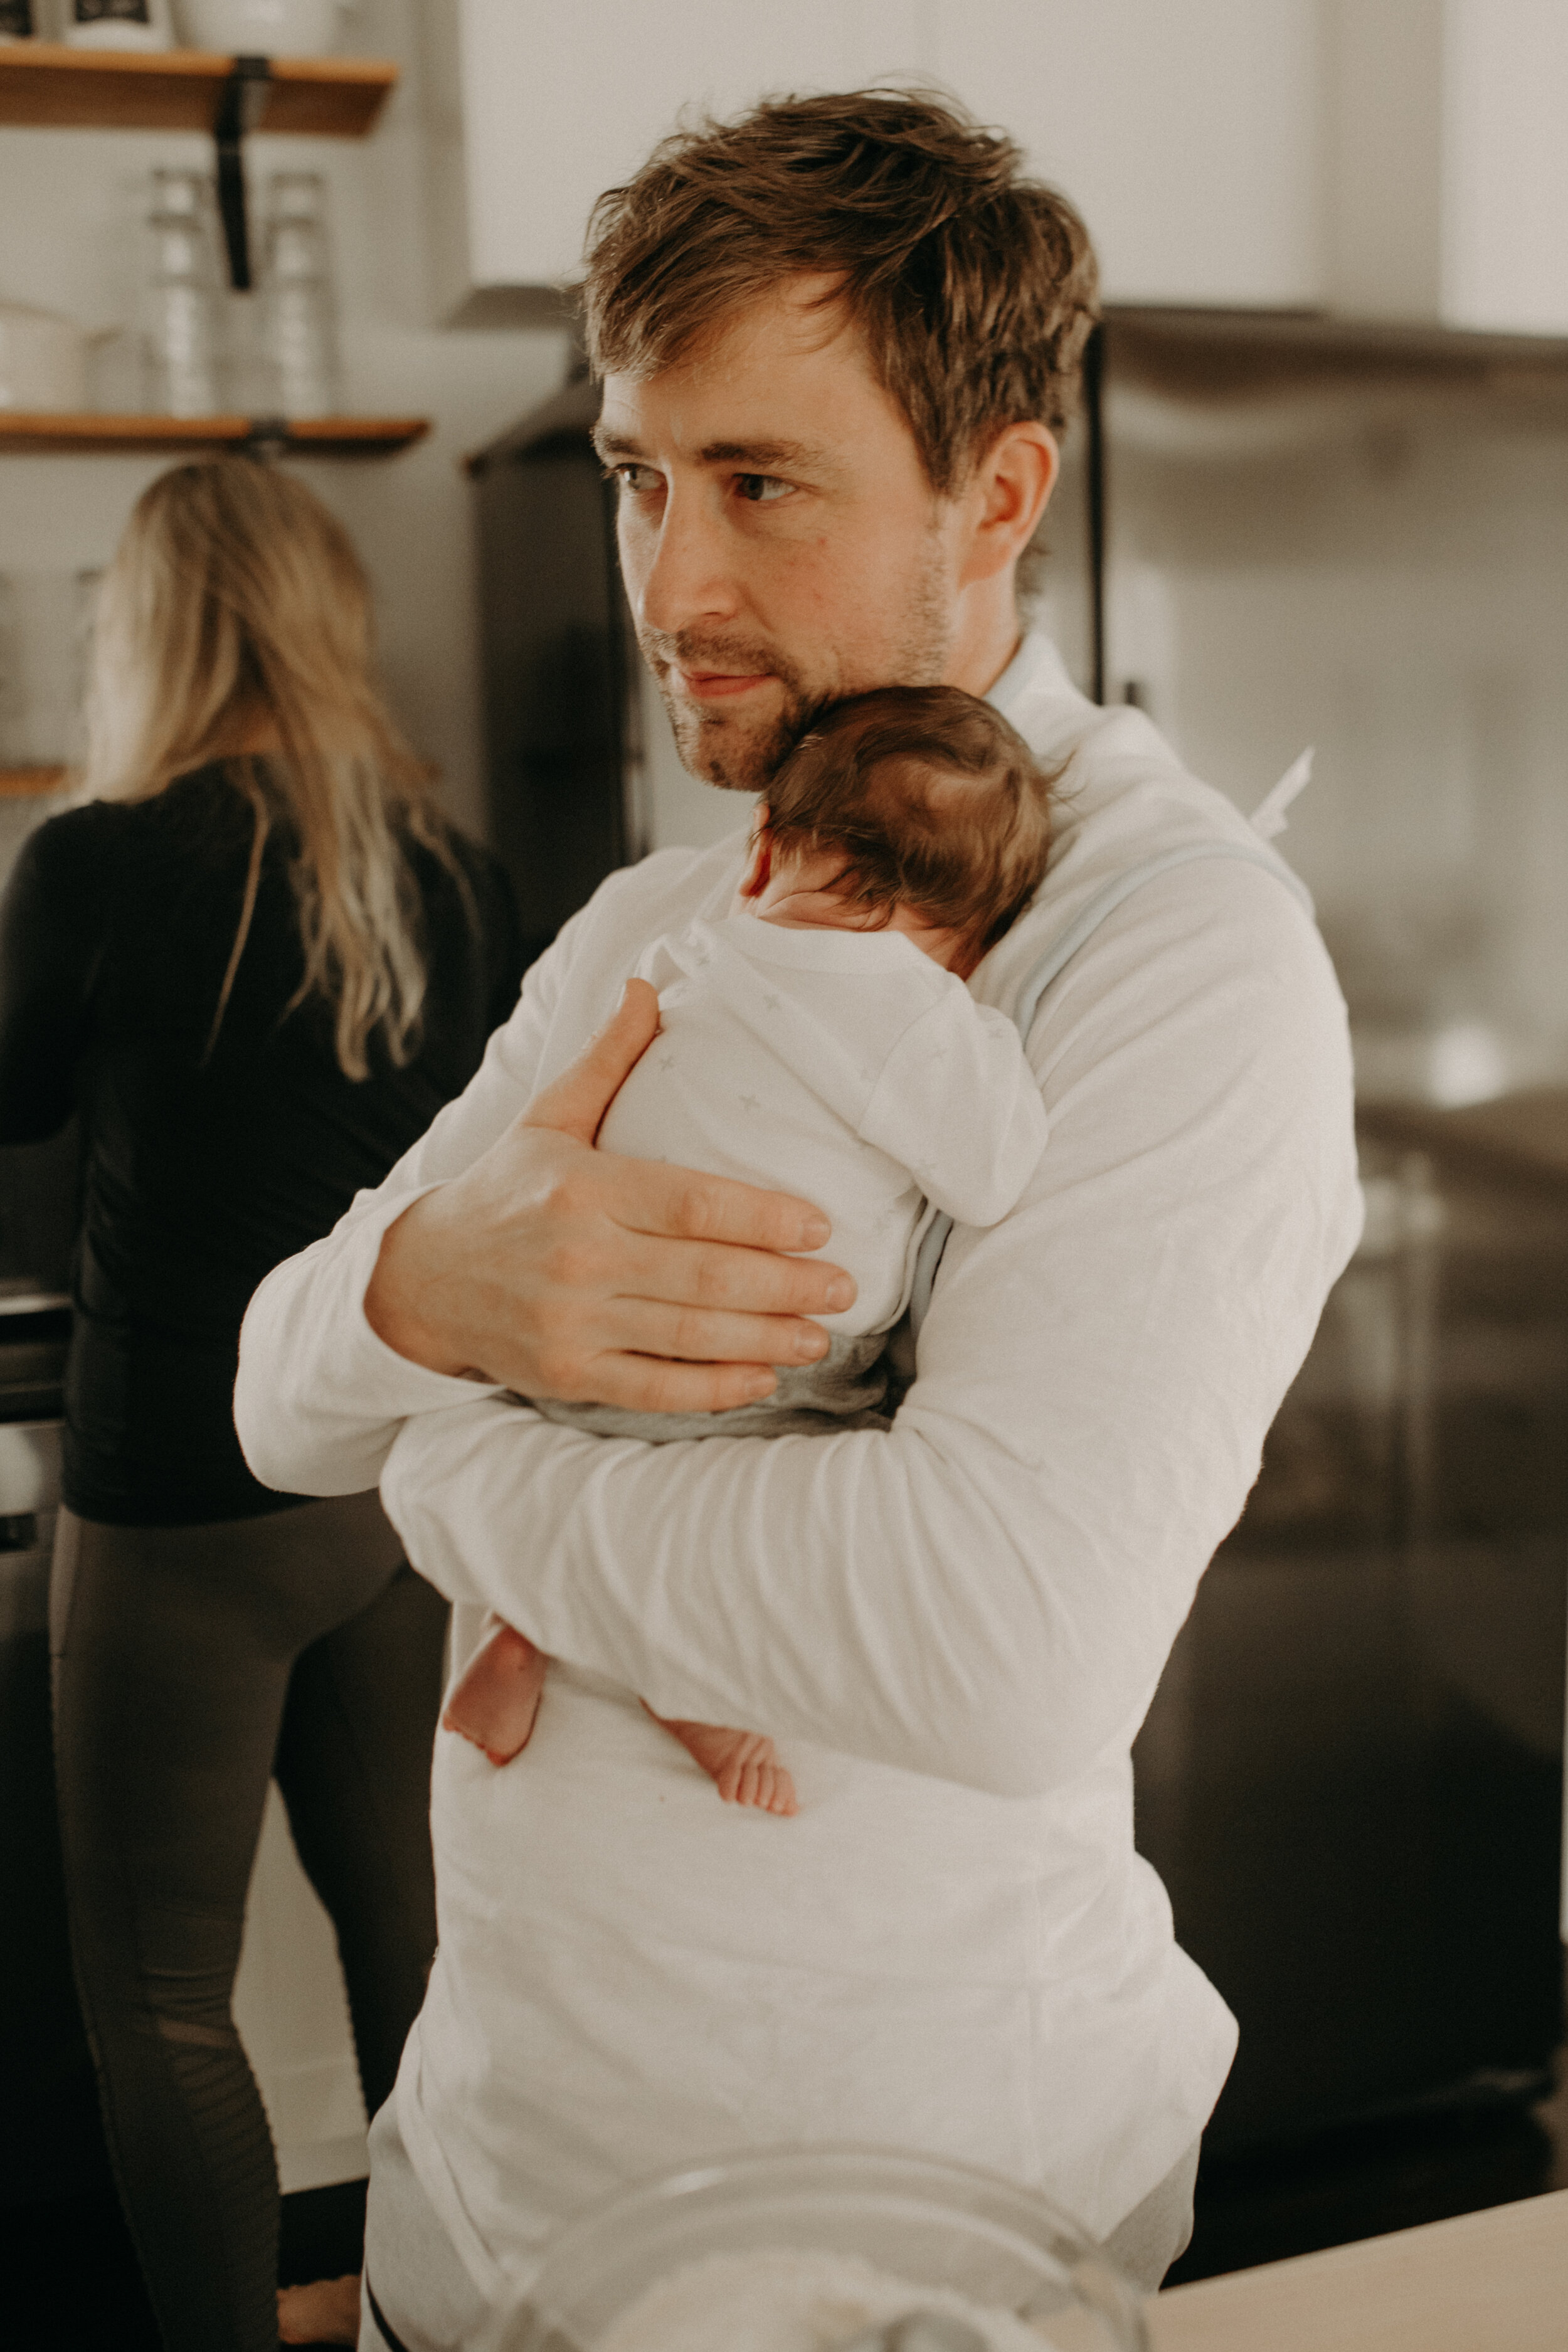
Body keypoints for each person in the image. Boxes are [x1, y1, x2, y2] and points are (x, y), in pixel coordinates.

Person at [233, 90, 1363, 2347]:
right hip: (483, 2199)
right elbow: (277, 1390)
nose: (669, 585)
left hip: (898, 2242)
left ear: (1000, 489)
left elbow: (995, 1647)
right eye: (641, 477)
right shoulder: (676, 909)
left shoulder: (1166, 947)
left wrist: (462, 1454)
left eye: (758, 483)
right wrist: (421, 1289)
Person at [0, 458, 522, 2352]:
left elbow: (13, 1106)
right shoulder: (447, 874)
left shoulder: (96, 862)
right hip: (391, 1493)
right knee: (419, 1943)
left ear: (148, 629)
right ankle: (442, 2327)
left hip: (185, 1497)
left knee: (155, 1995)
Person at [440, 684, 1054, 1813]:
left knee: (594, 1472)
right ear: (975, 935)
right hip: (764, 1364)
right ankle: (692, 1683)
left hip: (581, 1339)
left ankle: (520, 1624)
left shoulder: (698, 947)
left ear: (764, 851)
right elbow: (998, 1168)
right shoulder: (924, 1021)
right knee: (767, 1506)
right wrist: (993, 1035)